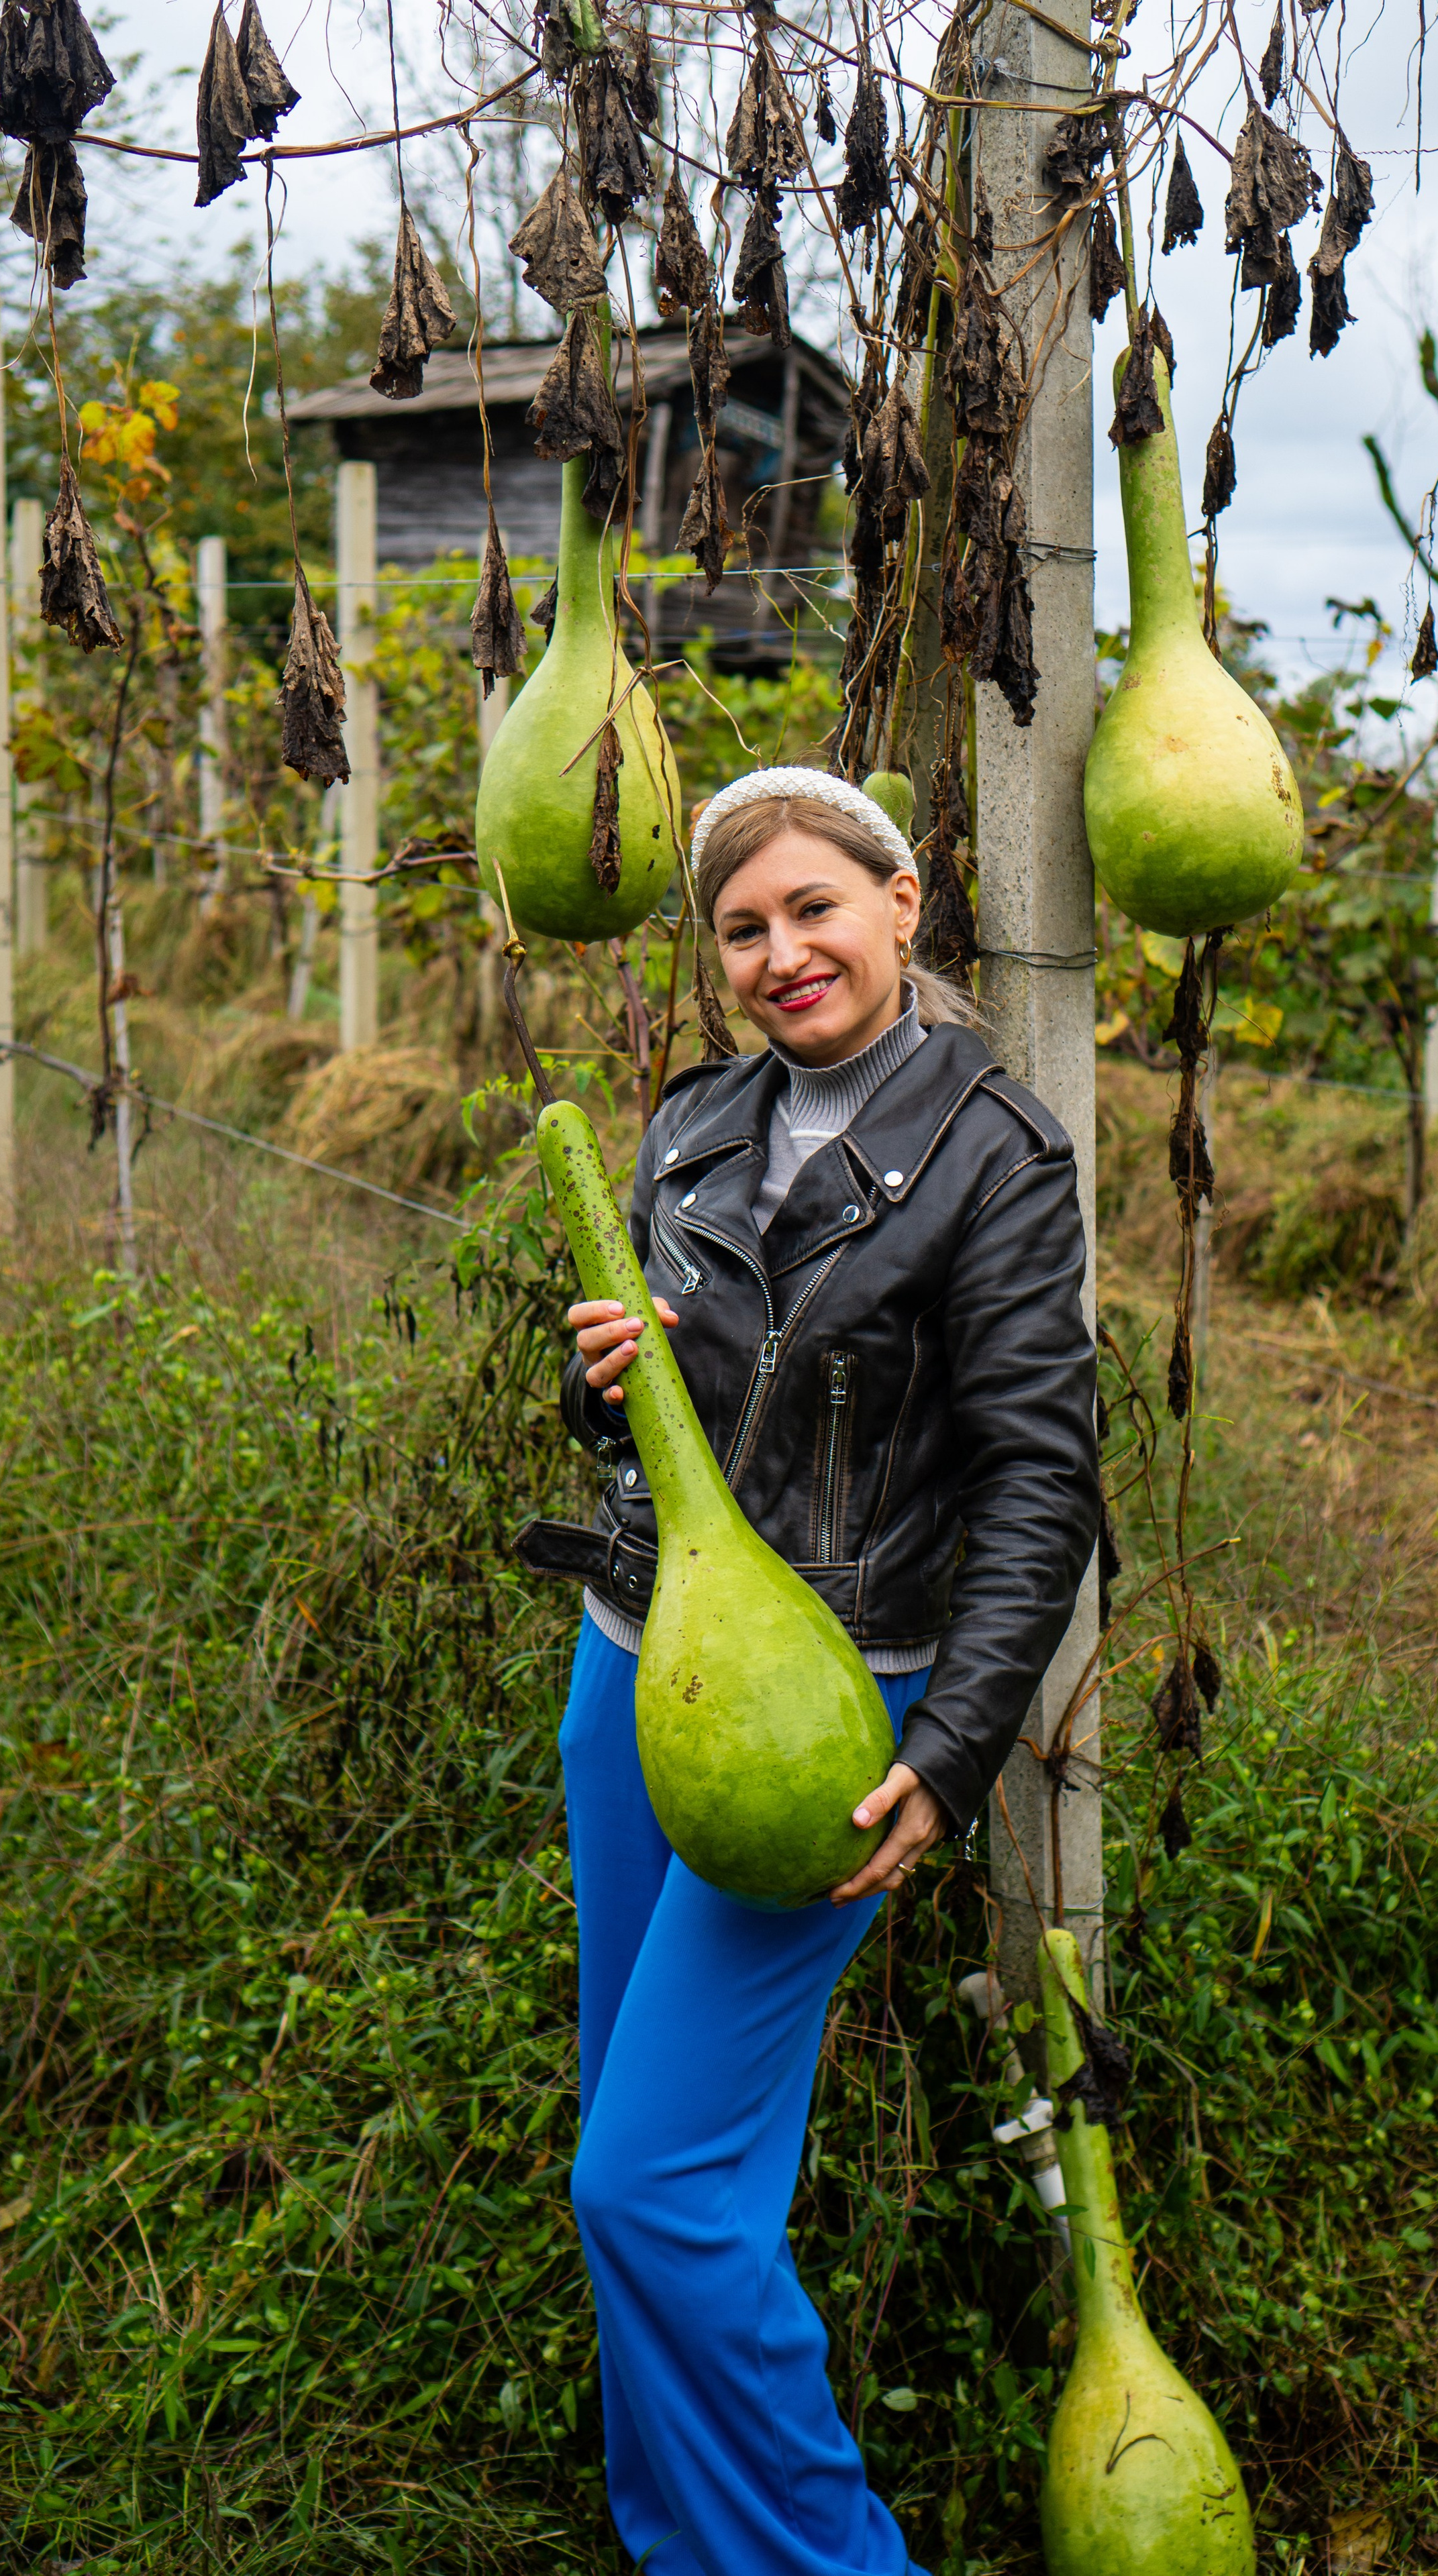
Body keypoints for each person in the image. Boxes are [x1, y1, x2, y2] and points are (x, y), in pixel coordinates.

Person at [524, 765, 1099, 2576]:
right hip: (634, 1676)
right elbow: (657, 1441)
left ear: (905, 906)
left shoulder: (996, 1158)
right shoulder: (692, 1126)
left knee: (653, 2186)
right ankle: (678, 2540)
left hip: (838, 1721)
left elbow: (1038, 1479)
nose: (783, 954)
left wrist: (955, 1751)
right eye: (744, 929)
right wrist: (604, 1378)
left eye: (816, 912)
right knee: (645, 2160)